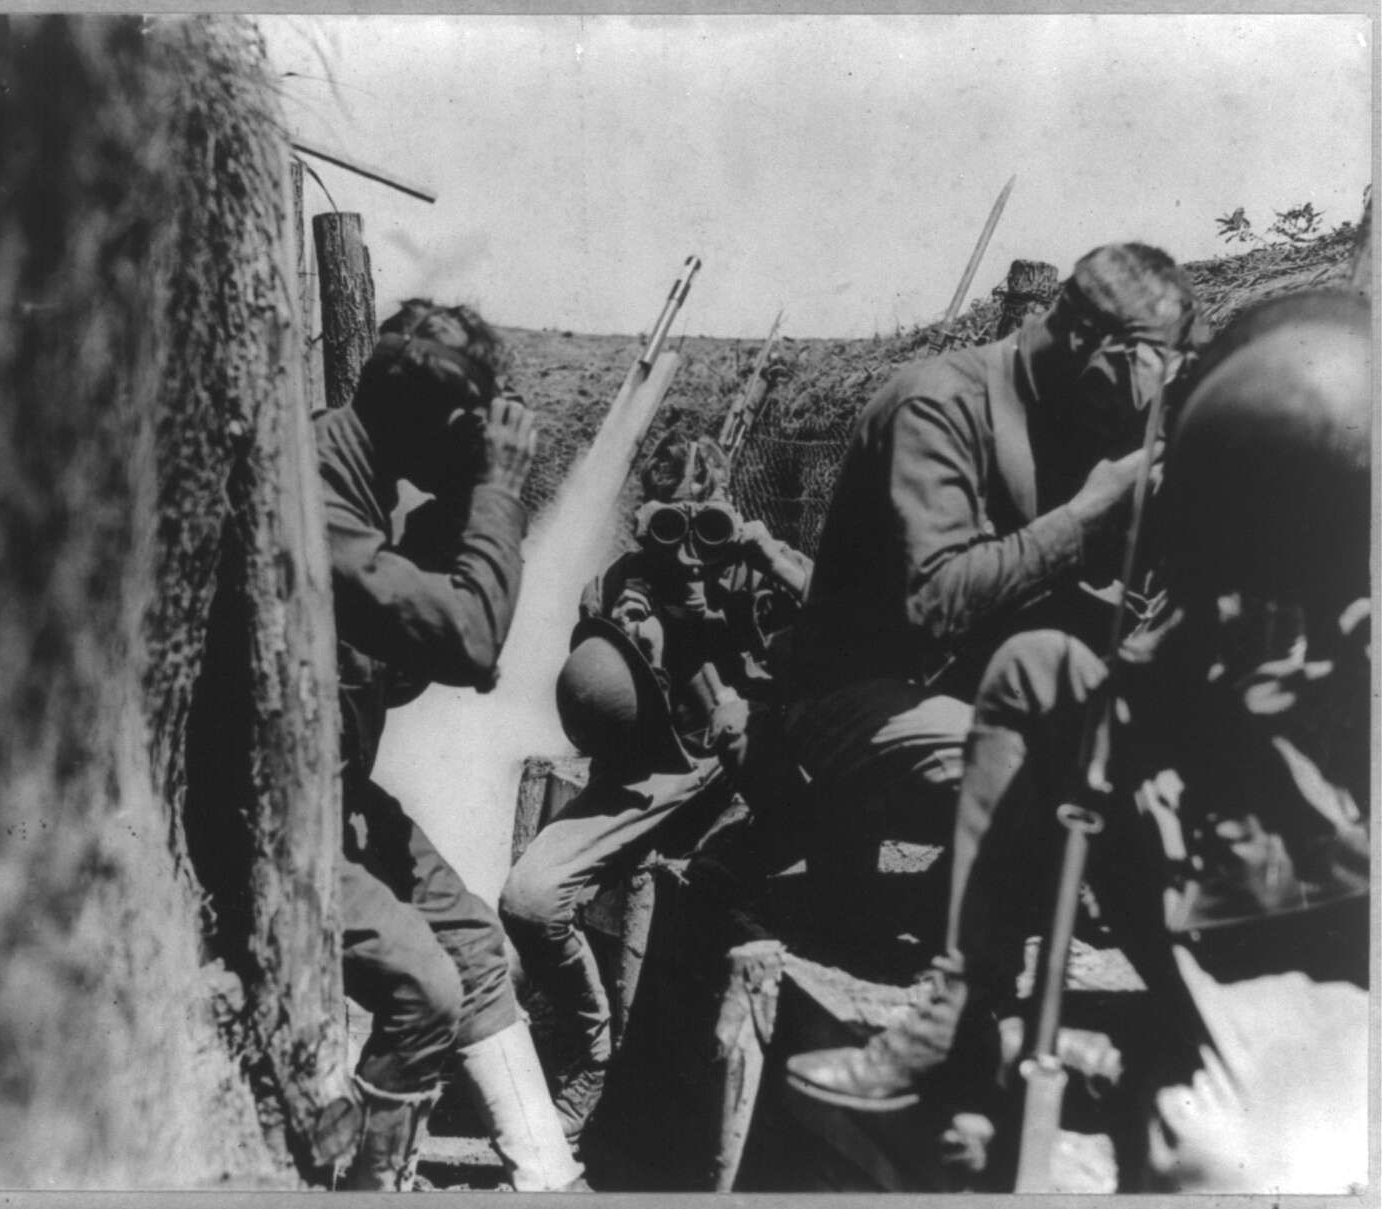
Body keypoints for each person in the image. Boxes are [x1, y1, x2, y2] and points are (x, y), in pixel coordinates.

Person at [785, 290, 1372, 1193]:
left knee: (1210, 1146)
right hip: (1283, 914)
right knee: (1041, 672)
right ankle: (964, 1016)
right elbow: (1174, 672)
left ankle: (1072, 1054)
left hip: (1308, 1022)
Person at [782, 243, 1199, 936]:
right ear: (1079, 338)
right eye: (1119, 385)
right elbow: (935, 600)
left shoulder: (1073, 411)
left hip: (980, 688)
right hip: (854, 694)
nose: (1118, 419)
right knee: (1046, 784)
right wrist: (1085, 519)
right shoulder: (938, 403)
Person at [311, 300, 584, 1192]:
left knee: (475, 944)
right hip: (277, 820)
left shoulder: (366, 488)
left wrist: (453, 528)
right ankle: (364, 1186)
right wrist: (498, 489)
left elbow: (384, 676)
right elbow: (469, 643)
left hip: (335, 798)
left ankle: (548, 1178)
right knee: (424, 986)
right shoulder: (312, 491)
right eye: (470, 430)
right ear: (435, 423)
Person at [499, 432, 812, 1145]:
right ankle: (589, 1051)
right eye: (669, 526)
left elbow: (852, 627)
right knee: (529, 898)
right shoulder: (619, 583)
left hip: (737, 782)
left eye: (706, 522)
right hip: (643, 778)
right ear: (646, 520)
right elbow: (593, 701)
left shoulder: (750, 570)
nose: (688, 550)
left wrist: (769, 558)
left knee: (715, 915)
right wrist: (629, 626)